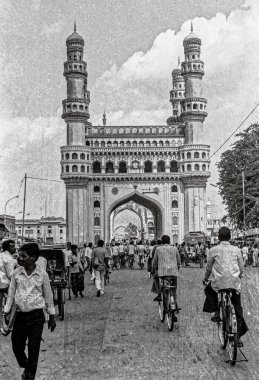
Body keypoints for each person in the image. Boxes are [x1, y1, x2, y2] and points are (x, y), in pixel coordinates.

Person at [4, 243, 56, 380]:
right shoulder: (16, 273)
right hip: (20, 316)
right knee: (16, 345)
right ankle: (27, 366)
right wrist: (6, 311)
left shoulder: (42, 275)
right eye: (19, 256)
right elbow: (11, 293)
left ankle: (30, 375)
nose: (19, 259)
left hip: (36, 317)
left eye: (23, 256)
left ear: (33, 258)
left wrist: (51, 316)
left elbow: (48, 295)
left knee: (34, 348)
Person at [203, 227, 248, 346]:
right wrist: (239, 276)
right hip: (234, 283)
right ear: (230, 237)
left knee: (209, 290)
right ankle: (238, 337)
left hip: (219, 283)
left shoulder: (213, 250)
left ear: (218, 237)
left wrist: (206, 278)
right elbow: (241, 268)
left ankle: (217, 312)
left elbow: (208, 268)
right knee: (237, 308)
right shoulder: (237, 250)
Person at [152, 235, 181, 321]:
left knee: (156, 278)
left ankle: (159, 292)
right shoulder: (174, 249)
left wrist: (154, 268)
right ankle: (174, 308)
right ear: (169, 241)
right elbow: (179, 261)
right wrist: (177, 268)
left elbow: (154, 262)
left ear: (162, 241)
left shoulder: (158, 249)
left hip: (162, 273)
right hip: (173, 273)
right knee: (173, 291)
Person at [0, 239, 16, 327]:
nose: (15, 248)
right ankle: (8, 315)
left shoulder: (0, 255)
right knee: (14, 300)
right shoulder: (9, 258)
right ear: (8, 248)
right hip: (6, 284)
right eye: (13, 246)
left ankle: (0, 326)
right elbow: (10, 275)